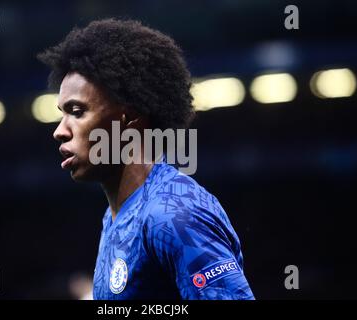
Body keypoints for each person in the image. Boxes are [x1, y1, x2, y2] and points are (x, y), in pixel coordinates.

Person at [38, 18, 254, 300]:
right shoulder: (119, 214)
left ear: (129, 118)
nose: (59, 132)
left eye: (77, 111)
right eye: (62, 114)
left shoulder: (175, 215)